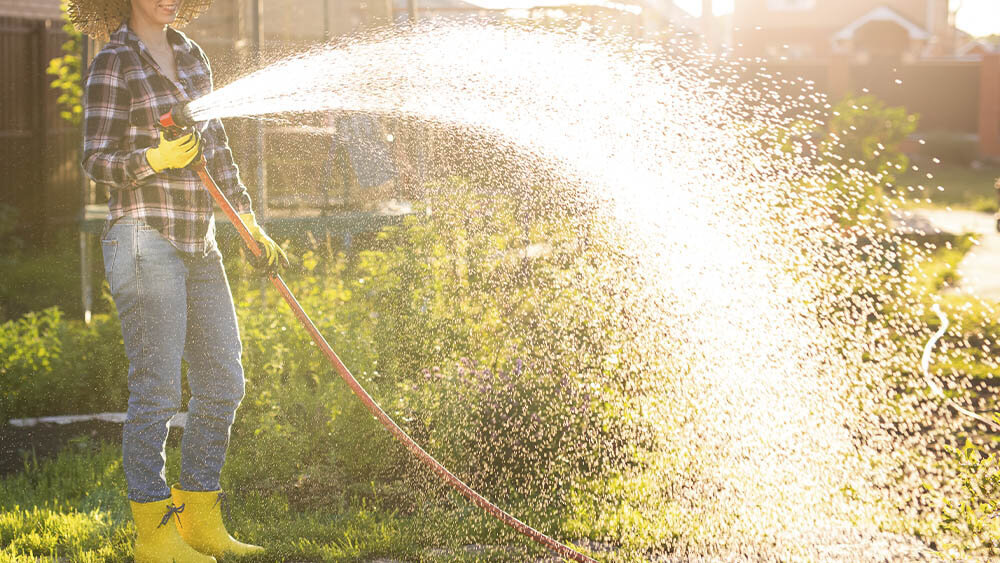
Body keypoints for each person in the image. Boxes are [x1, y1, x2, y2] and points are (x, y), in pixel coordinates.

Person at [74, 0, 286, 561]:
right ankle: (153, 533)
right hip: (144, 238)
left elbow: (219, 154)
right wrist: (153, 157)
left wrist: (249, 223)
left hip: (201, 241)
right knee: (159, 391)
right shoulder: (113, 62)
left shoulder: (192, 57)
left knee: (223, 382)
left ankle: (200, 518)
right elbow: (95, 160)